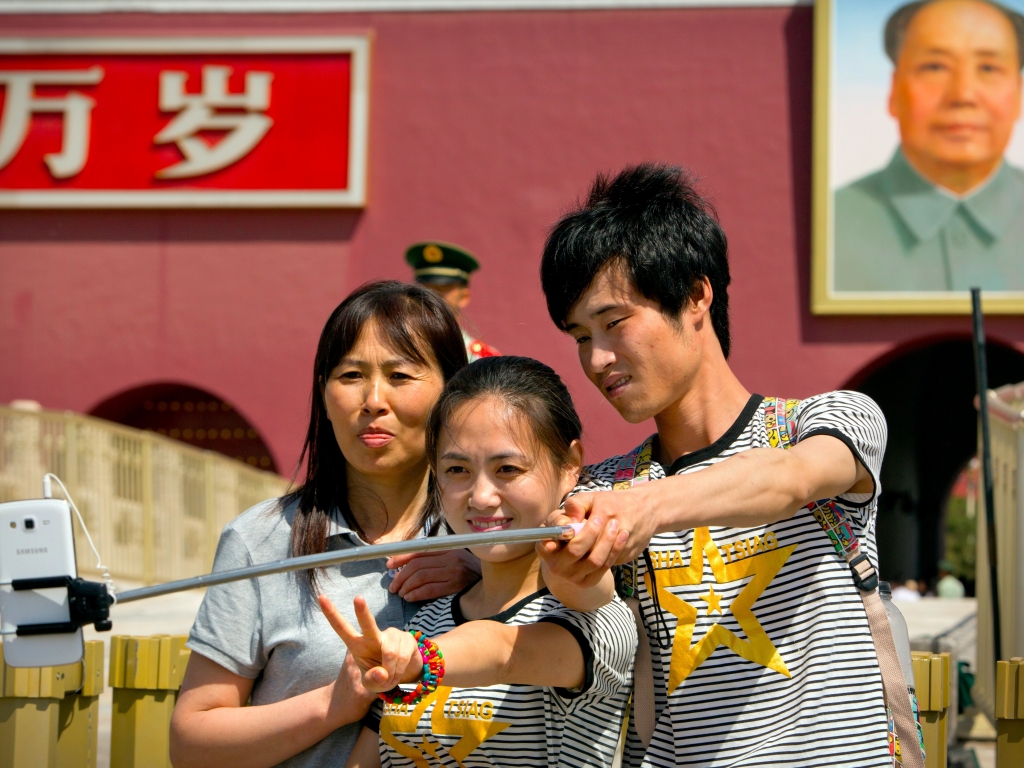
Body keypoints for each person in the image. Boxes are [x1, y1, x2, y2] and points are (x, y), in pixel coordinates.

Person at [537, 164, 897, 766]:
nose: (596, 360)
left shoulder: (828, 420)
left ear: (697, 295)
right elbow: (588, 623)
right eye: (579, 336)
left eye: (614, 323)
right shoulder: (605, 489)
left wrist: (647, 507)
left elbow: (792, 479)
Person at [169, 281, 482, 768]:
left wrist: (483, 568)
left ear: (452, 392)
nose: (373, 400)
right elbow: (192, 744)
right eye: (351, 374)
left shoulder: (495, 534)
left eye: (401, 375)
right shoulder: (260, 541)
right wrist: (330, 706)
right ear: (323, 390)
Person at [322, 356, 637, 768]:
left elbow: (505, 651)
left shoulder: (601, 623)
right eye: (457, 469)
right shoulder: (425, 622)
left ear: (569, 466)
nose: (481, 497)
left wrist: (422, 660)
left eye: (507, 468)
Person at [835, 0, 1024, 292]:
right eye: (935, 67)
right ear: (894, 91)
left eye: (988, 67)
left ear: (1019, 94)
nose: (962, 95)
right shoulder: (831, 226)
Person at [405, 242, 500, 361]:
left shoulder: (483, 361)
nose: (431, 297)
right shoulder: (399, 349)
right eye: (424, 290)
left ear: (464, 297)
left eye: (441, 291)